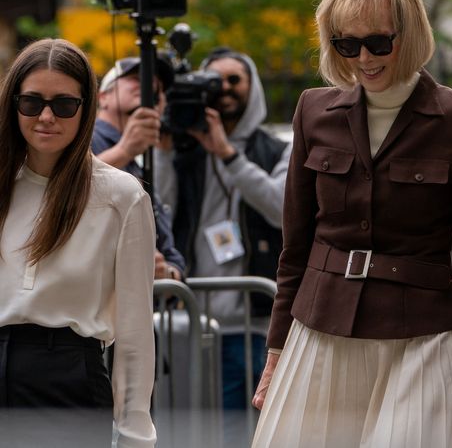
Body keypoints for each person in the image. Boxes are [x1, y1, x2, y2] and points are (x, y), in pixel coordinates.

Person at [250, 0, 452, 448]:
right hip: (321, 326)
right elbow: (295, 246)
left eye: (379, 42)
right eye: (346, 44)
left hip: (424, 335)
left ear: (410, 32)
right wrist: (276, 351)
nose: (363, 58)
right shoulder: (313, 112)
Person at [0, 39, 156, 447]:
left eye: (65, 105)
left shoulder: (122, 196)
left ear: (87, 108)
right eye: (31, 102)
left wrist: (136, 436)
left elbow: (136, 332)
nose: (46, 117)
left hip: (68, 376)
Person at [155, 47, 291, 410]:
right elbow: (161, 210)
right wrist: (165, 152)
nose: (226, 88)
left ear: (254, 87)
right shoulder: (185, 150)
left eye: (235, 80)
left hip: (252, 322)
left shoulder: (277, 150)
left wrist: (227, 153)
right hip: (190, 316)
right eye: (216, 80)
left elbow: (282, 209)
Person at [93, 56, 185, 281]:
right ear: (103, 97)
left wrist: (167, 273)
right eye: (137, 79)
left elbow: (172, 254)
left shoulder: (142, 164)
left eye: (160, 88)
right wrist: (124, 150)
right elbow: (62, 187)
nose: (151, 87)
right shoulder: (81, 139)